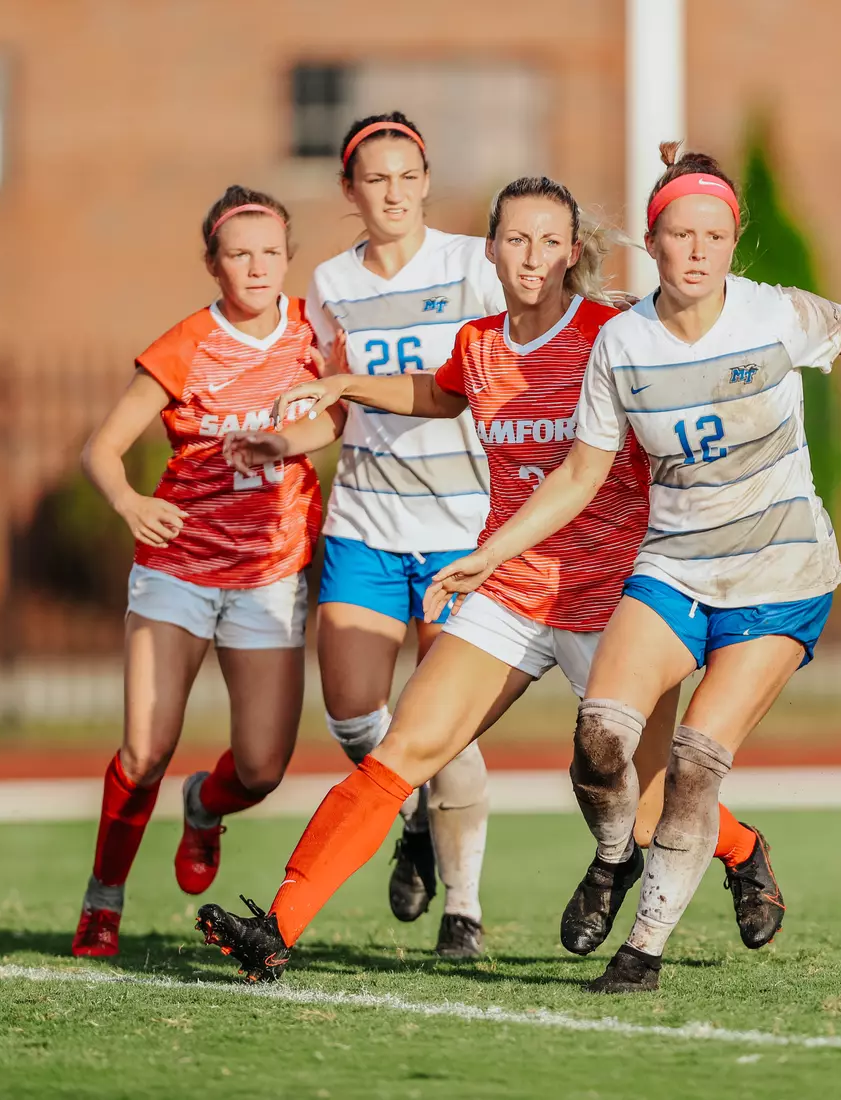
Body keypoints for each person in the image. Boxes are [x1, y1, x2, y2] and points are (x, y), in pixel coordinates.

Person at [195, 175, 783, 980]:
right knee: (402, 751)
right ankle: (277, 928)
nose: (532, 256)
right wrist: (344, 384)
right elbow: (441, 394)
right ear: (491, 249)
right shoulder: (480, 343)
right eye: (516, 239)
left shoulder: (612, 334)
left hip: (613, 602)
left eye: (549, 240)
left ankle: (744, 849)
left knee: (648, 815)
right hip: (510, 592)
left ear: (573, 252)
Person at [432, 144, 841, 992]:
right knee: (601, 737)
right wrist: (488, 555)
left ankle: (641, 953)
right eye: (681, 233)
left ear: (733, 240)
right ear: (654, 240)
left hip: (779, 575)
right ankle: (612, 859)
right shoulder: (622, 343)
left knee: (695, 764)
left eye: (715, 233)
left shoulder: (774, 314)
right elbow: (577, 474)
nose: (699, 249)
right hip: (673, 566)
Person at [69, 186, 338, 957]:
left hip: (270, 571)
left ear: (289, 260)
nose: (256, 267)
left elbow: (337, 412)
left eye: (270, 253)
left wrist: (286, 443)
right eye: (238, 253)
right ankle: (103, 900)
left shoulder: (313, 332)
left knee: (260, 769)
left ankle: (204, 807)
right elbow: (101, 449)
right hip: (179, 567)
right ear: (213, 264)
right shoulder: (186, 343)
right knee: (144, 748)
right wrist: (126, 502)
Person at [303, 112, 506, 952]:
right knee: (355, 714)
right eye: (373, 179)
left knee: (442, 720)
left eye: (406, 176)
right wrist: (280, 434)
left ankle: (464, 906)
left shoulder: (473, 265)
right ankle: (415, 812)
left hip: (462, 525)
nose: (392, 193)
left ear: (426, 180)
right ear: (349, 191)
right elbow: (331, 403)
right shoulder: (327, 283)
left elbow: (483, 380)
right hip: (365, 523)